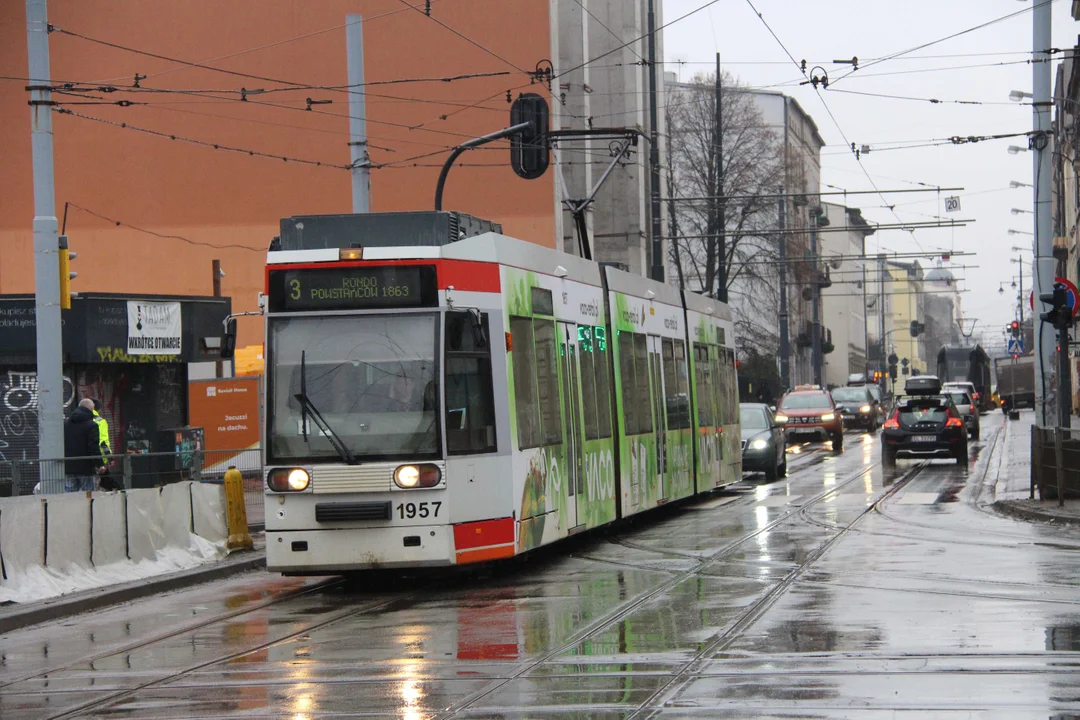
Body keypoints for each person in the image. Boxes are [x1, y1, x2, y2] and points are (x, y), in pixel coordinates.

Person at [64, 398, 104, 492]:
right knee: (88, 495)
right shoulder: (92, 425)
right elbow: (93, 447)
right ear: (90, 408)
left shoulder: (65, 424)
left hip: (68, 466)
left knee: (70, 496)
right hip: (85, 467)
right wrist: (99, 464)